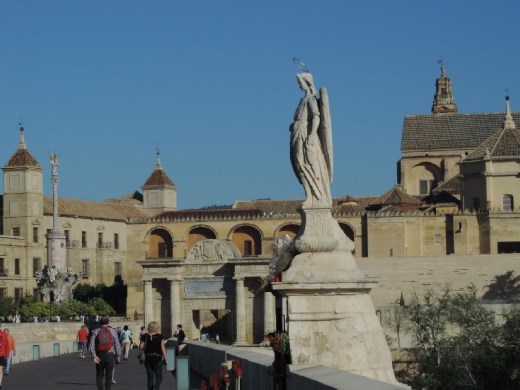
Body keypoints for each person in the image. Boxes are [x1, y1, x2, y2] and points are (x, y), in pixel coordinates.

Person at [290, 71, 333, 208]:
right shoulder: (302, 100)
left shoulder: (311, 99)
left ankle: (316, 196)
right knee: (299, 164)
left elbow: (316, 116)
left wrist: (312, 135)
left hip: (305, 134)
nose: (298, 85)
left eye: (300, 82)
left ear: (307, 82)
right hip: (297, 133)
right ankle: (309, 195)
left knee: (307, 164)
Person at [89, 317, 121, 390]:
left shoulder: (96, 331)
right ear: (108, 322)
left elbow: (92, 344)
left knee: (99, 375)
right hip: (110, 355)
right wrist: (118, 357)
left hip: (99, 355)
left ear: (100, 322)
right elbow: (117, 345)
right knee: (109, 376)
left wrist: (94, 355)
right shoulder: (113, 331)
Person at [140, 321, 167, 390]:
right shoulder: (160, 337)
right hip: (157, 358)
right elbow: (163, 349)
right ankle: (155, 388)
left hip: (148, 359)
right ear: (157, 328)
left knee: (150, 378)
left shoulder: (145, 336)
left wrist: (146, 344)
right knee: (159, 377)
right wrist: (166, 359)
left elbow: (141, 347)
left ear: (149, 327)